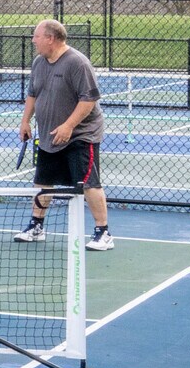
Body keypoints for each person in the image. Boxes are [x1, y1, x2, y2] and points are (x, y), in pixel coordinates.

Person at [14, 19, 115, 250]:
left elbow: (88, 100)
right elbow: (32, 93)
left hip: (81, 134)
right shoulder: (39, 62)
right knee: (42, 182)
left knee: (89, 183)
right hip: (50, 135)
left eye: (36, 36)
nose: (33, 41)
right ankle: (36, 227)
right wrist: (25, 121)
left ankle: (104, 233)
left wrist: (69, 126)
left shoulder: (77, 63)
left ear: (50, 38)